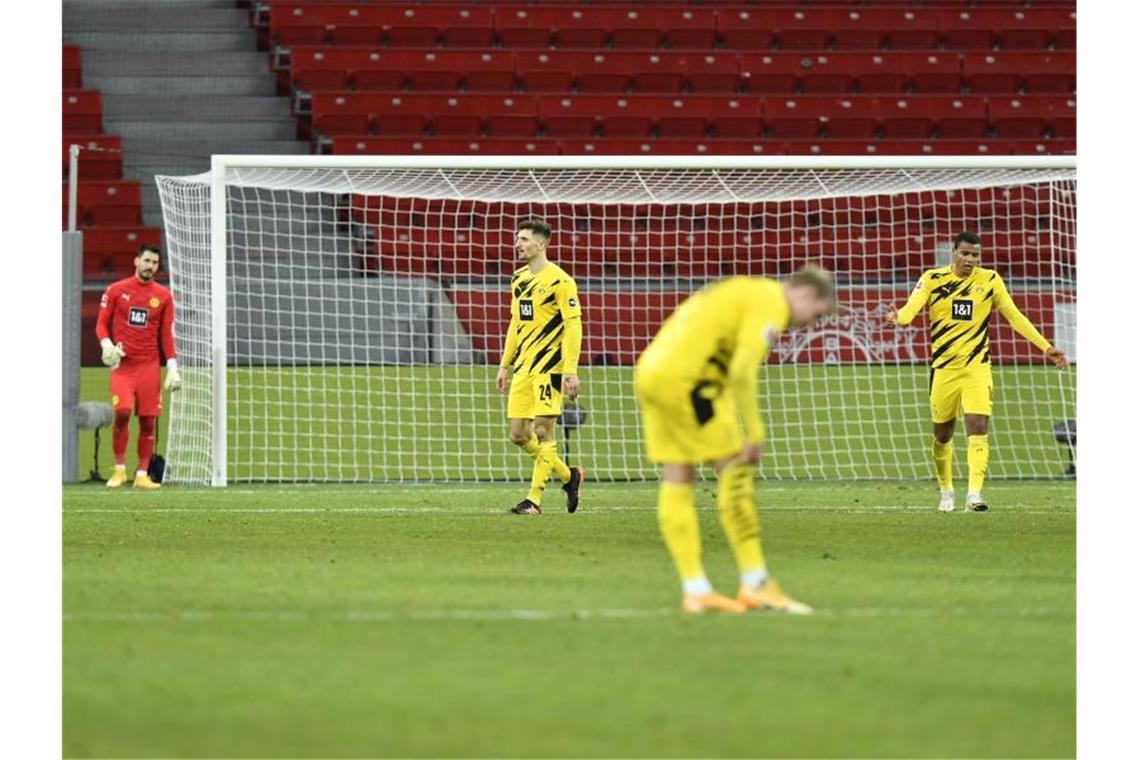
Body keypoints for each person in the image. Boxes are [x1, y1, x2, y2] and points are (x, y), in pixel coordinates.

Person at [635, 266, 836, 614]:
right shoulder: (771, 300)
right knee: (735, 471)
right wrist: (754, 432)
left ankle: (695, 589)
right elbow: (742, 370)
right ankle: (756, 584)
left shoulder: (744, 289)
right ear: (805, 293)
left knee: (678, 476)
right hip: (691, 383)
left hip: (652, 372)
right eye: (816, 315)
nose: (809, 324)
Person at [890, 231, 1069, 512]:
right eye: (965, 253)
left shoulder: (990, 280)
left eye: (975, 255)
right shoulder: (933, 279)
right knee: (942, 435)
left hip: (977, 368)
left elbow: (1014, 316)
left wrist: (1046, 347)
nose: (971, 260)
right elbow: (910, 310)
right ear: (954, 252)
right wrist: (898, 318)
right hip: (944, 370)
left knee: (978, 426)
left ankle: (974, 494)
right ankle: (946, 491)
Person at [494, 219, 585, 515]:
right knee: (519, 435)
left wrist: (570, 370)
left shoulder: (561, 281)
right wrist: (505, 364)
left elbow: (573, 326)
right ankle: (570, 477)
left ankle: (533, 501)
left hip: (550, 367)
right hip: (523, 367)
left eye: (523, 239)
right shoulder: (518, 279)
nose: (518, 244)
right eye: (517, 239)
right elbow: (515, 324)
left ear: (541, 244)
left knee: (544, 432)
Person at [95, 245, 181, 489]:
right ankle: (120, 469)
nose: (150, 266)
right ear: (136, 261)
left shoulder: (163, 296)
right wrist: (106, 344)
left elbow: (166, 335)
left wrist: (173, 367)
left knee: (148, 420)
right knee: (122, 411)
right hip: (123, 365)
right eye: (146, 260)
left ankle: (142, 474)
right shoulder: (116, 290)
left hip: (149, 367)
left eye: (154, 262)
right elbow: (101, 324)